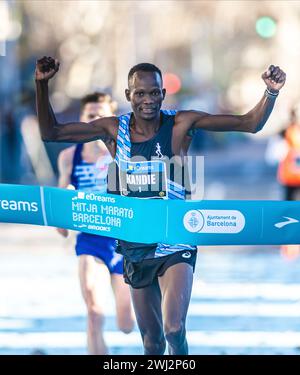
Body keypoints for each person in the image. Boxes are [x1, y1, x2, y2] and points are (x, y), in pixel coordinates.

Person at [35, 56, 286, 355]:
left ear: (163, 94)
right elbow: (52, 133)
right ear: (128, 96)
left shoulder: (181, 123)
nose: (148, 100)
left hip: (175, 239)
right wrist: (41, 84)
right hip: (135, 243)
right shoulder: (114, 129)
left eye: (154, 92)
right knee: (152, 343)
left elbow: (250, 123)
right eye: (140, 93)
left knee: (174, 329)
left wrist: (270, 92)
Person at [56, 92, 134, 355]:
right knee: (94, 312)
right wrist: (65, 204)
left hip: (124, 242)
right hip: (90, 240)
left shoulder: (124, 154)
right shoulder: (69, 156)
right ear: (82, 119)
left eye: (102, 114)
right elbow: (60, 217)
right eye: (90, 115)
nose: (96, 119)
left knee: (126, 324)